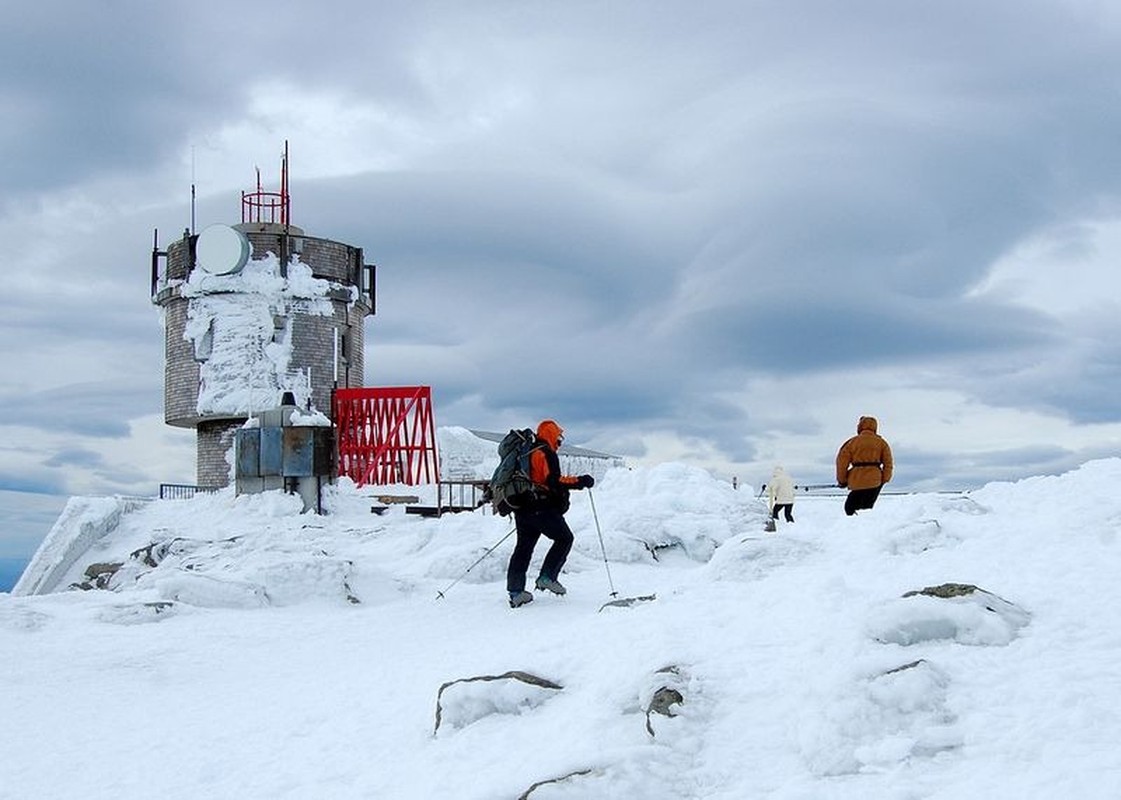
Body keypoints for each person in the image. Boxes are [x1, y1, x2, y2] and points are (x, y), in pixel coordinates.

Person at [506, 419, 595, 608]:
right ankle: (547, 576)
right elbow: (554, 481)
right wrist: (581, 481)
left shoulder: (525, 452)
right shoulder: (545, 453)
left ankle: (516, 592)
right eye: (559, 438)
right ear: (552, 435)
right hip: (541, 507)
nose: (560, 442)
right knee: (565, 538)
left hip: (521, 508)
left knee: (523, 548)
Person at [835, 415, 894, 516]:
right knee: (868, 511)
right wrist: (884, 479)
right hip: (875, 481)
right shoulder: (882, 443)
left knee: (849, 509)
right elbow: (888, 463)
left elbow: (841, 463)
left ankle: (854, 527)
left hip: (856, 481)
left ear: (860, 427)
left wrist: (842, 481)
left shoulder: (851, 443)